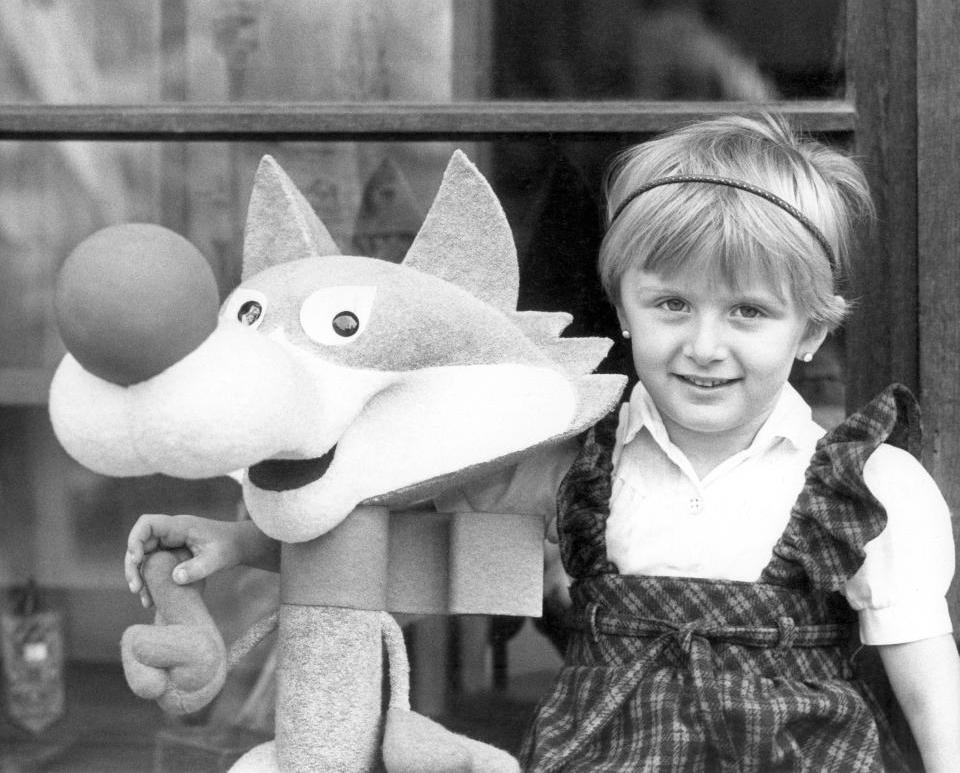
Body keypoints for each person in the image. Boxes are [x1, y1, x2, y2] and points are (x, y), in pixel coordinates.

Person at [125, 114, 960, 772]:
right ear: (624, 307)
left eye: (748, 312)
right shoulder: (576, 466)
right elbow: (406, 553)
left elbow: (924, 679)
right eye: (672, 305)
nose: (705, 345)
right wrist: (241, 542)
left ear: (811, 331)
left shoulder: (871, 487)